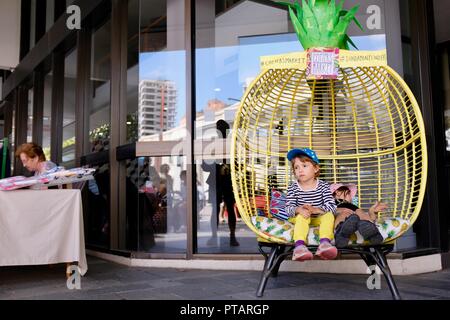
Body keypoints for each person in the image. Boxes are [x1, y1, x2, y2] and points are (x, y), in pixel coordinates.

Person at [285, 148, 337, 261]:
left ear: (316, 168)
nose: (300, 170)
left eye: (304, 166)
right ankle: (299, 247)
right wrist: (298, 209)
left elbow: (332, 207)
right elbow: (288, 209)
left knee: (328, 215)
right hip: (301, 218)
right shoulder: (293, 188)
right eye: (296, 167)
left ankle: (324, 244)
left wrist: (317, 210)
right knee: (302, 217)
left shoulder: (323, 186)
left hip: (317, 217)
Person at [330, 183, 386, 248]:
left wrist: (372, 211)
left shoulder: (351, 208)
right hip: (340, 222)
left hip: (353, 221)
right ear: (337, 192)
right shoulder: (334, 203)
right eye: (348, 193)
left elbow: (366, 217)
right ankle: (340, 233)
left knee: (360, 221)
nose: (351, 197)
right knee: (348, 214)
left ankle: (372, 232)